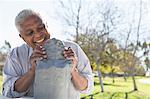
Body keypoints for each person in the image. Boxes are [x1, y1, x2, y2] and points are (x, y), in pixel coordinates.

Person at [2, 9, 93, 98]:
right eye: (30, 33)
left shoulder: (73, 49)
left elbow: (87, 88)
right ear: (22, 37)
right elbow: (8, 91)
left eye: (40, 27)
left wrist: (73, 70)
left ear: (46, 25)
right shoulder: (16, 55)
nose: (38, 35)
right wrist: (32, 71)